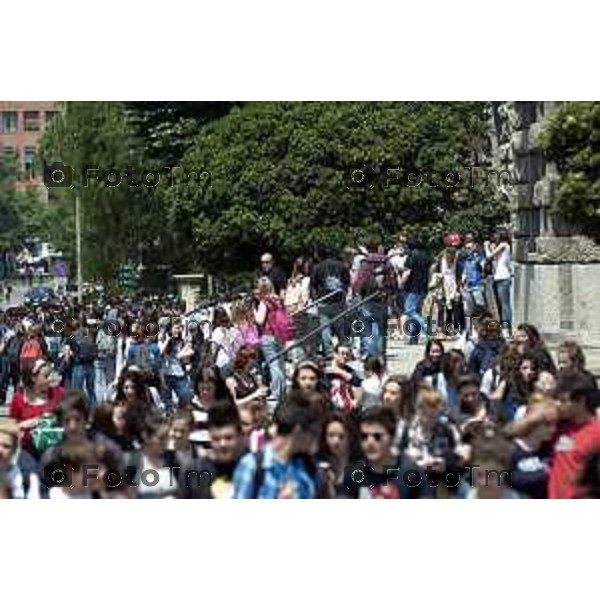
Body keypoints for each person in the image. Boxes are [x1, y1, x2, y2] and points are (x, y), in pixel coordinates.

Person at [233, 393, 322, 499]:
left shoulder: (308, 468)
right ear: (298, 431)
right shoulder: (252, 466)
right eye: (314, 431)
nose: (317, 437)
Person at [347, 406, 425, 499]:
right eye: (364, 436)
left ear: (392, 438)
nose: (370, 443)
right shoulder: (353, 473)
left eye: (377, 436)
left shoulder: (412, 474)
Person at [547, 372, 600, 499]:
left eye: (563, 400)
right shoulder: (555, 425)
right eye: (557, 400)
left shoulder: (597, 433)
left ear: (581, 401)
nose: (558, 405)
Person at [9, 359, 64, 457]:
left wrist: (53, 420)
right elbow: (11, 428)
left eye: (51, 374)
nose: (51, 379)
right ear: (33, 378)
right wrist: (25, 424)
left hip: (55, 449)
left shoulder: (59, 393)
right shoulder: (19, 398)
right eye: (46, 376)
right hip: (27, 450)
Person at [195, 401, 247, 499]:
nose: (222, 444)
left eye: (228, 438)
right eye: (216, 439)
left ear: (240, 436)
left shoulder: (254, 469)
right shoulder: (195, 472)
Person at [310, 247, 350, 358]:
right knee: (340, 328)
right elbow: (347, 282)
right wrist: (344, 295)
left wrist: (315, 299)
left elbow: (313, 285)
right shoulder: (342, 266)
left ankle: (329, 352)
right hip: (339, 301)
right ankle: (344, 350)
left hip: (323, 301)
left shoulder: (317, 267)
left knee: (325, 329)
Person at [254, 277, 289, 402]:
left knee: (273, 365)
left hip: (268, 335)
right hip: (280, 334)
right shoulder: (278, 299)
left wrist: (253, 312)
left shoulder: (265, 302)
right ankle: (283, 390)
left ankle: (276, 393)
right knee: (280, 364)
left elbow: (260, 320)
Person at [317, 412, 358, 499]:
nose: (336, 441)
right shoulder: (317, 463)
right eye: (331, 435)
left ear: (350, 437)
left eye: (341, 436)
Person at [399, 236, 430, 344]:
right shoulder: (426, 256)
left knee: (410, 311)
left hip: (412, 287)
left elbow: (407, 272)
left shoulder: (412, 255)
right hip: (423, 287)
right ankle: (414, 338)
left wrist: (401, 284)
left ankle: (427, 330)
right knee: (417, 312)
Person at [484, 229, 512, 338]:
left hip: (503, 277)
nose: (494, 237)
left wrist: (486, 247)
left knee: (505, 306)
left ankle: (507, 329)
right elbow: (494, 260)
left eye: (496, 235)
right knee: (500, 305)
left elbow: (489, 257)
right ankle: (502, 328)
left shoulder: (504, 245)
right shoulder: (500, 247)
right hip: (497, 277)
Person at [64, 319, 98, 407]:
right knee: (91, 389)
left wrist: (66, 365)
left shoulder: (71, 336)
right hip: (90, 364)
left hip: (79, 365)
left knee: (76, 390)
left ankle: (78, 408)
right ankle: (94, 408)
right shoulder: (87, 333)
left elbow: (67, 355)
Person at [326, 343, 362, 412]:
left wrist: (343, 373)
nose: (345, 356)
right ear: (335, 354)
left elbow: (358, 385)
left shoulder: (350, 371)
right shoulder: (325, 369)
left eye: (347, 354)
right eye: (342, 353)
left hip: (346, 409)